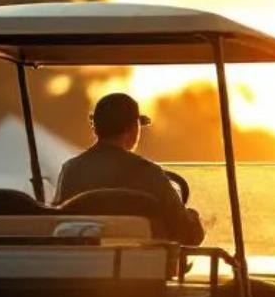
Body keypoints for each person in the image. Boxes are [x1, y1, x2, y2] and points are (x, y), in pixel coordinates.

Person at [53, 92, 204, 244]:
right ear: (133, 128)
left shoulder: (71, 171)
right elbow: (188, 235)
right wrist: (192, 216)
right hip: (142, 266)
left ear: (95, 127)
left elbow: (56, 225)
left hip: (82, 265)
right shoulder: (150, 174)